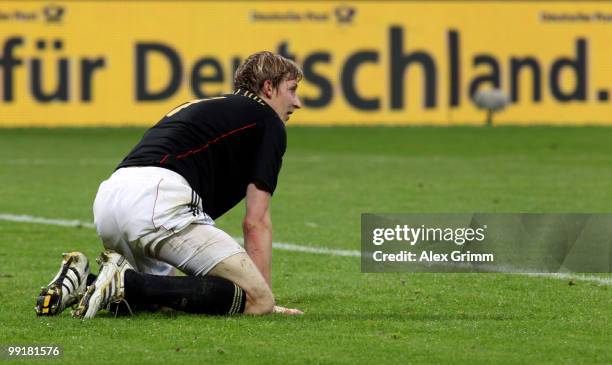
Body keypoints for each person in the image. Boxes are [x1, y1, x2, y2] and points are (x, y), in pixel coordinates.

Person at [35, 51, 303, 318]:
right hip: (157, 199)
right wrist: (263, 296)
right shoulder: (268, 120)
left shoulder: (211, 105)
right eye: (292, 90)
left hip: (110, 197)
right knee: (257, 300)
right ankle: (124, 280)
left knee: (158, 298)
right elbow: (256, 222)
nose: (297, 102)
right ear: (269, 88)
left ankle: (84, 280)